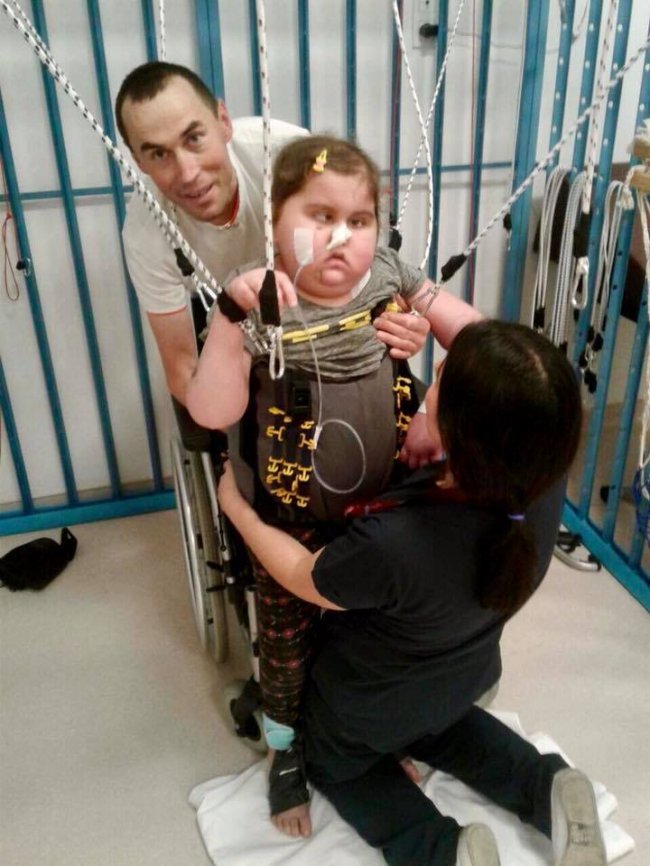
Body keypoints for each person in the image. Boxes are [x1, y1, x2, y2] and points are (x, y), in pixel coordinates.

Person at [218, 319, 607, 866]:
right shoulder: (539, 490)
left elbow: (302, 574)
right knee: (444, 728)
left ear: (459, 431)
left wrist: (238, 509)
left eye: (442, 377)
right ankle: (547, 787)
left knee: (336, 764)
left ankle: (444, 850)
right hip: (463, 680)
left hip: (365, 707)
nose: (433, 374)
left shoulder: (395, 543)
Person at [185, 134, 483, 834]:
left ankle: (378, 724)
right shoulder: (257, 297)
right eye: (320, 217)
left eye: (359, 219)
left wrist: (438, 379)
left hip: (384, 507)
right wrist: (228, 321)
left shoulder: (388, 274)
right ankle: (285, 749)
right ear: (275, 224)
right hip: (291, 512)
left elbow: (478, 340)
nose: (342, 238)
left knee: (377, 632)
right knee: (286, 647)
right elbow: (212, 412)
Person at [115, 61, 430, 405]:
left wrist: (403, 322)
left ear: (223, 122)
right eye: (159, 154)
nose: (188, 173)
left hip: (320, 313)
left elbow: (368, 265)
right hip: (232, 315)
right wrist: (223, 424)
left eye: (194, 138)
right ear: (138, 162)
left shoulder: (287, 155)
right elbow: (183, 371)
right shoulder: (147, 234)